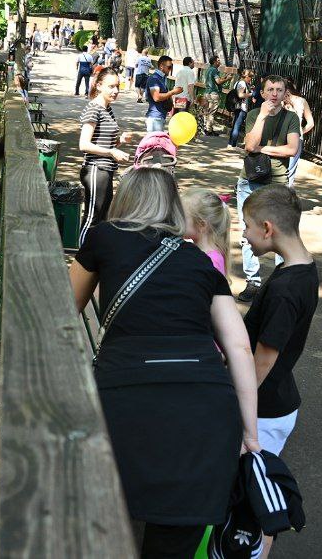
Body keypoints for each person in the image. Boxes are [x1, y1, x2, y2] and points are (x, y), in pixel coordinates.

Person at [70, 168, 261, 557]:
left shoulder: (103, 237)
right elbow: (240, 348)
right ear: (173, 207)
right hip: (206, 409)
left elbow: (62, 310)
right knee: (175, 538)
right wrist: (250, 435)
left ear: (125, 199)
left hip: (125, 395)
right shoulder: (199, 261)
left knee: (109, 521)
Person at [239, 184, 317, 559]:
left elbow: (264, 358)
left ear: (267, 228)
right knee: (253, 489)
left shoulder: (286, 289)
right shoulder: (300, 267)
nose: (244, 235)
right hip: (275, 401)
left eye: (247, 226)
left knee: (253, 497)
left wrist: (238, 403)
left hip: (265, 409)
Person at [236, 75, 301, 303]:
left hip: (278, 182)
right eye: (270, 89)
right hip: (250, 181)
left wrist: (261, 148)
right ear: (262, 93)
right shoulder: (254, 115)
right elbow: (250, 145)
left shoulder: (291, 118)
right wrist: (263, 116)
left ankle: (279, 281)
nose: (274, 94)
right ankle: (253, 281)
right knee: (248, 233)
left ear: (285, 94)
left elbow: (292, 149)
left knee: (280, 232)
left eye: (279, 90)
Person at [78, 69, 133, 245]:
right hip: (96, 169)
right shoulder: (94, 108)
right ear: (99, 86)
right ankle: (81, 255)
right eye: (111, 86)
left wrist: (120, 141)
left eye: (117, 86)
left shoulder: (107, 108)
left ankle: (94, 257)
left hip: (106, 170)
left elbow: (103, 142)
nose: (115, 91)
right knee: (92, 218)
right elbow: (84, 145)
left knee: (104, 218)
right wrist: (111, 152)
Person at [183, 188, 232, 279]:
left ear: (202, 225)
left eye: (182, 217)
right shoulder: (196, 251)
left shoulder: (211, 262)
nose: (177, 220)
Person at [283, 78, 315, 187]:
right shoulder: (302, 101)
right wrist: (301, 132)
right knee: (291, 169)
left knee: (278, 167)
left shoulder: (280, 100)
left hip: (281, 136)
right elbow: (311, 123)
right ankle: (287, 193)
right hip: (297, 137)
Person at [145, 56, 183, 133]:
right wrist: (173, 92)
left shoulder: (162, 78)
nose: (170, 69)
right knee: (156, 140)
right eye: (169, 67)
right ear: (161, 66)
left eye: (171, 67)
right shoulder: (155, 78)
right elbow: (156, 97)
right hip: (155, 118)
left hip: (160, 117)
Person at [199, 54, 230, 136]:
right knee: (211, 112)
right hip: (213, 93)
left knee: (206, 111)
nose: (220, 62)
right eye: (218, 60)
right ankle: (208, 130)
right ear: (214, 62)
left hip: (207, 93)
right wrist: (228, 79)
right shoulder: (214, 70)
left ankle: (205, 128)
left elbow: (215, 80)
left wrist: (224, 78)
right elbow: (218, 82)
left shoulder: (209, 69)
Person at [228, 69, 255, 148]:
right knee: (237, 126)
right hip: (241, 107)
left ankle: (230, 143)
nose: (251, 79)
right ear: (246, 76)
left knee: (235, 125)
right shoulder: (242, 83)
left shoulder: (238, 82)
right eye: (250, 77)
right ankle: (233, 145)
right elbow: (240, 95)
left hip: (237, 107)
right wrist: (251, 94)